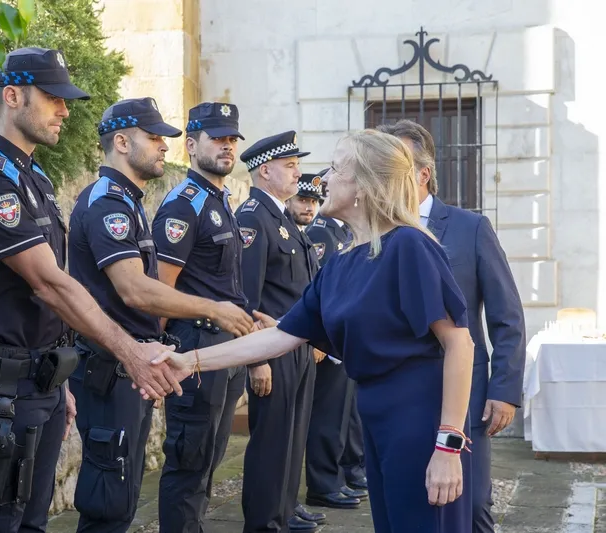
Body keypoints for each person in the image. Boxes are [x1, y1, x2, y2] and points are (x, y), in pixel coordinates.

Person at [152, 129, 476, 533]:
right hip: (376, 417)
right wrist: (188, 360)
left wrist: (448, 444)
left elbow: (459, 342)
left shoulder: (408, 246)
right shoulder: (343, 262)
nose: (321, 181)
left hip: (418, 421)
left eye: (336, 169)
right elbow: (282, 335)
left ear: (364, 185)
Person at [0, 48, 182, 533]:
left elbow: (53, 291)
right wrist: (130, 352)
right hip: (2, 388)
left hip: (41, 382)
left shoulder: (37, 178)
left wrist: (60, 378)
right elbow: (50, 284)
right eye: (53, 98)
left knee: (32, 523)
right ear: (13, 96)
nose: (65, 111)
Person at [66, 97, 255, 533]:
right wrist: (213, 309)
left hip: (130, 366)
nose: (163, 147)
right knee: (108, 501)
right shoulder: (108, 202)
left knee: (125, 495)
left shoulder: (128, 200)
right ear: (121, 142)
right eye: (154, 138)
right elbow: (135, 290)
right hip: (109, 368)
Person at [377, 120, 526, 533]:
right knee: (409, 502)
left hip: (465, 394)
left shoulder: (469, 228)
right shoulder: (376, 232)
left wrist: (505, 390)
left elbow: (506, 315)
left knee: (472, 503)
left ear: (423, 173)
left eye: (395, 163)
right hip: (400, 397)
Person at [151, 102, 259, 533]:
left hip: (225, 349)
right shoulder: (184, 204)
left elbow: (224, 286)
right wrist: (157, 355)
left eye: (232, 139)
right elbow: (159, 289)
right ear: (191, 144)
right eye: (217, 138)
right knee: (189, 459)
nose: (227, 146)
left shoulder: (220, 200)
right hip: (195, 347)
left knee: (210, 458)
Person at [235, 132, 328, 532]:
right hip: (272, 349)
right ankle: (264, 520)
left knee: (293, 433)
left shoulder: (282, 218)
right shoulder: (253, 218)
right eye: (290, 166)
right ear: (264, 171)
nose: (297, 173)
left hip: (295, 346)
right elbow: (247, 297)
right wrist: (257, 360)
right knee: (271, 439)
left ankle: (286, 509)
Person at [302, 170, 368, 509]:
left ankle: (341, 476)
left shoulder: (346, 232)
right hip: (327, 343)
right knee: (327, 416)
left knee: (346, 416)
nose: (311, 204)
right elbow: (324, 292)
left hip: (343, 341)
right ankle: (324, 483)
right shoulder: (320, 232)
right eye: (306, 198)